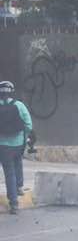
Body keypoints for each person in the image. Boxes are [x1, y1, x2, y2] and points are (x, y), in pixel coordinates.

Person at [0, 81, 32, 214]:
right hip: (19, 144)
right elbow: (28, 125)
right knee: (18, 162)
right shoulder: (19, 105)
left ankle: (14, 204)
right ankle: (19, 186)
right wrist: (25, 137)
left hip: (3, 145)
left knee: (9, 173)